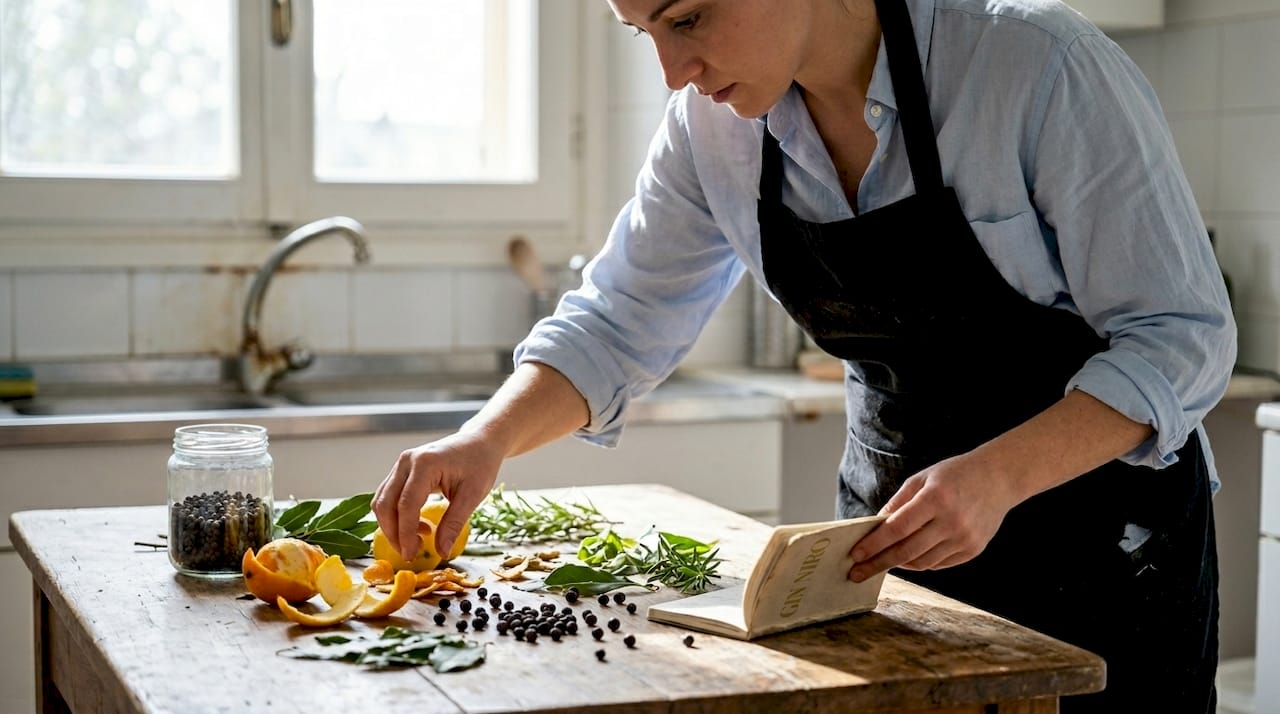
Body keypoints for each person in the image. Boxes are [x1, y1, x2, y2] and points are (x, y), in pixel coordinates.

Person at [373, 1, 1236, 710]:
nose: (675, 73)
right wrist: (484, 439)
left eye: (690, 19)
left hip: (1105, 553)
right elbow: (617, 318)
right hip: (893, 563)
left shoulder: (1035, 68)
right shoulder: (710, 130)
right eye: (644, 34)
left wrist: (997, 476)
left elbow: (1183, 333)